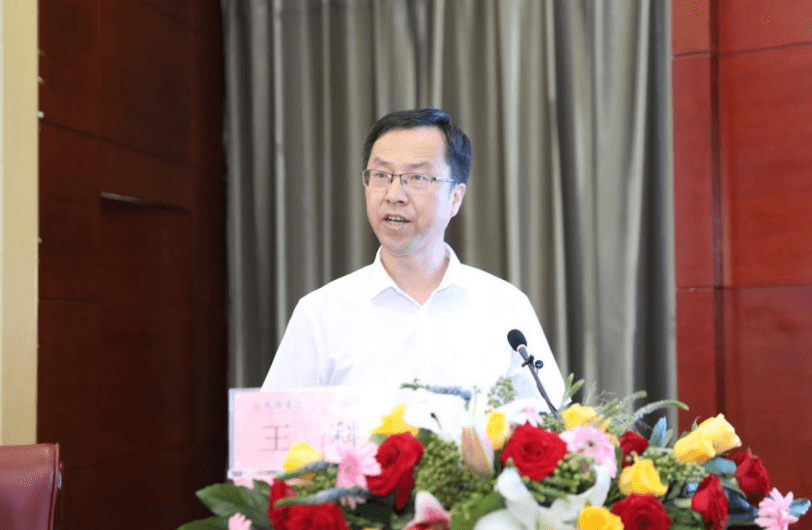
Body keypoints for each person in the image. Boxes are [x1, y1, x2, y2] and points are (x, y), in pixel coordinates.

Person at [261, 108, 566, 406]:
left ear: (455, 197)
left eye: (418, 177)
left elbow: (554, 424)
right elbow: (270, 431)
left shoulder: (506, 308)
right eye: (381, 175)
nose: (394, 194)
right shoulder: (320, 314)